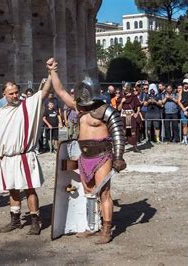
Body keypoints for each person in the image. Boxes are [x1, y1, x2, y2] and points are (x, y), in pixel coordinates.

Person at [47, 57, 126, 244]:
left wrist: (119, 157)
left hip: (102, 156)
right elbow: (59, 91)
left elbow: (118, 134)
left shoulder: (106, 110)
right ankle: (92, 226)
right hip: (85, 156)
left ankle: (106, 230)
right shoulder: (79, 108)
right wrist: (53, 71)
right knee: (89, 192)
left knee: (104, 193)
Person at [0, 74, 54, 235]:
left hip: (24, 155)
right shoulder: (0, 114)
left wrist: (51, 73)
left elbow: (44, 93)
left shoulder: (27, 106)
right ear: (4, 95)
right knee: (12, 189)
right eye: (10, 93)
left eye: (16, 92)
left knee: (29, 189)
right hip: (7, 158)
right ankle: (15, 220)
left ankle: (35, 220)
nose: (14, 95)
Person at [117, 83, 142, 152]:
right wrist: (122, 102)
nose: (123, 89)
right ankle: (122, 148)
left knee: (133, 131)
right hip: (124, 116)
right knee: (123, 132)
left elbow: (138, 105)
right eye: (123, 87)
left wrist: (137, 113)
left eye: (125, 87)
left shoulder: (133, 96)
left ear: (128, 88)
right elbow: (118, 109)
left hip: (131, 115)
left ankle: (135, 146)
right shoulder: (121, 96)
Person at [177, 79, 188, 144]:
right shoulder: (181, 91)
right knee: (184, 124)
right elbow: (179, 101)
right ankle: (185, 139)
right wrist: (183, 109)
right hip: (183, 110)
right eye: (184, 83)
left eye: (187, 83)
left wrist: (187, 108)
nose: (185, 84)